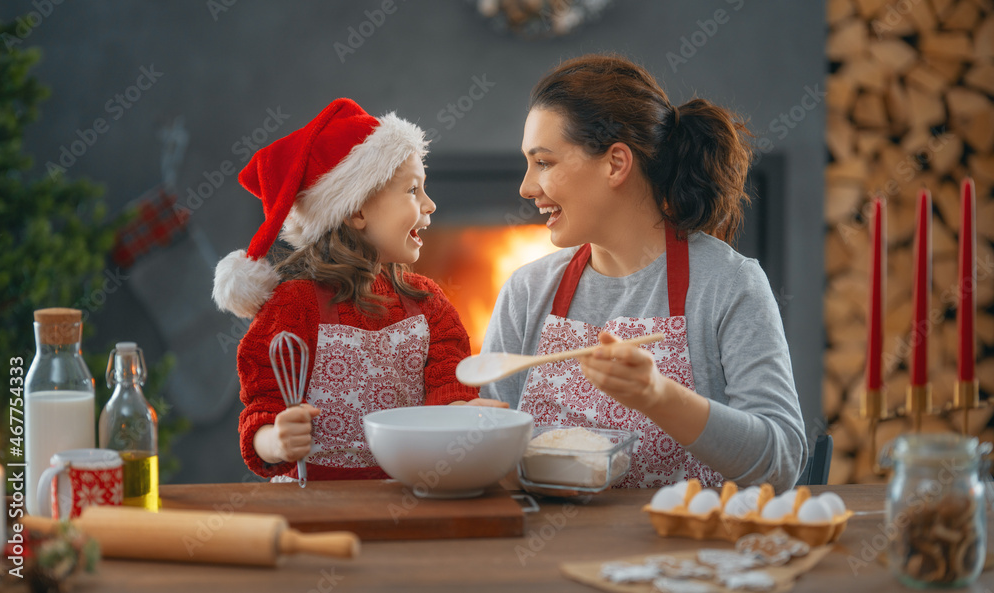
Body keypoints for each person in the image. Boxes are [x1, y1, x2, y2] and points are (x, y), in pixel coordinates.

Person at [481, 54, 806, 492]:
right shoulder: (527, 291)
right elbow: (489, 453)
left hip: (682, 554)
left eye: (544, 162)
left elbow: (781, 462)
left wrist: (658, 396)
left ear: (616, 163)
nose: (526, 187)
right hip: (546, 554)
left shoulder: (729, 285)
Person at [213, 98, 502, 481]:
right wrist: (276, 442)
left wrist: (465, 415)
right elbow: (262, 407)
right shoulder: (294, 305)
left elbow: (449, 388)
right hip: (313, 507)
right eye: (412, 190)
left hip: (405, 495)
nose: (430, 205)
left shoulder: (428, 304)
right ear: (357, 211)